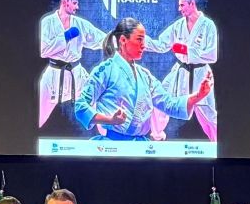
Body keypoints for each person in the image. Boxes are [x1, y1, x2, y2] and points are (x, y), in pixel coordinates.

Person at [71, 17, 214, 142]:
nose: (144, 45)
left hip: (142, 147)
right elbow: (81, 106)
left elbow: (170, 105)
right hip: (111, 147)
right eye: (139, 40)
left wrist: (199, 95)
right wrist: (110, 120)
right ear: (123, 40)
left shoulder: (145, 76)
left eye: (144, 40)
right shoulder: (104, 71)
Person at [144, 0, 220, 141]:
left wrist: (186, 50)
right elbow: (161, 44)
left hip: (200, 73)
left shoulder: (208, 25)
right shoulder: (178, 25)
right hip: (180, 71)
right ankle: (156, 136)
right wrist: (142, 40)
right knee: (160, 101)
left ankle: (218, 144)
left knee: (208, 114)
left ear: (192, 4)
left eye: (182, 5)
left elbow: (212, 55)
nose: (179, 9)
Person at [38, 0, 107, 129]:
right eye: (74, 3)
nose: (77, 7)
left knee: (97, 99)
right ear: (65, 2)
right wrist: (66, 36)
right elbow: (44, 50)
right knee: (40, 114)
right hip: (54, 74)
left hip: (76, 73)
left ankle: (107, 133)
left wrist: (117, 38)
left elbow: (99, 38)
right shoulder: (48, 22)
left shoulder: (80, 24)